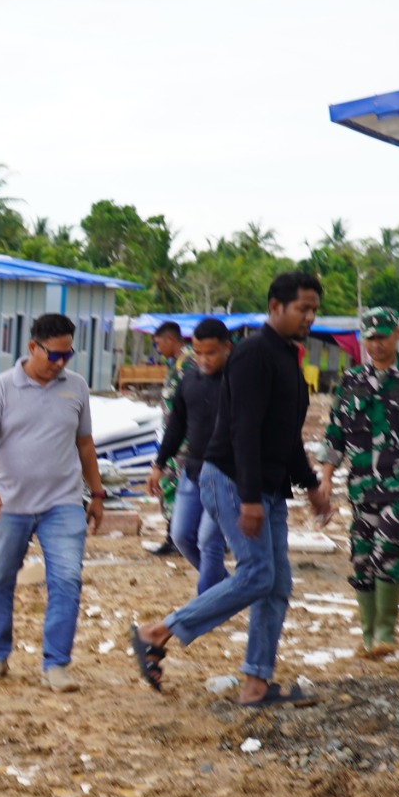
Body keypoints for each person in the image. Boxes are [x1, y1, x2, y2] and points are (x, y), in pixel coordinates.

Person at [132, 273, 336, 705]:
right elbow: (244, 429)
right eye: (303, 308)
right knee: (257, 574)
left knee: (277, 584)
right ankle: (157, 632)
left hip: (270, 486)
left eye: (314, 309)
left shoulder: (287, 358)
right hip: (232, 480)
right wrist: (247, 497)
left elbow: (286, 434)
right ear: (276, 307)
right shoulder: (252, 355)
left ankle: (256, 685)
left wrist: (312, 485)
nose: (310, 316)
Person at [0, 313, 107, 692]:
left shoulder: (75, 387)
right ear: (33, 347)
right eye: (53, 355)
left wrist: (96, 494)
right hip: (9, 504)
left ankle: (56, 664)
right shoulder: (0, 389)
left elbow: (85, 445)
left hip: (62, 503)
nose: (61, 363)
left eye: (68, 355)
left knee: (67, 579)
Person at [322, 308, 399, 657]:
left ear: (398, 334)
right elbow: (335, 433)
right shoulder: (351, 381)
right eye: (370, 338)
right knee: (362, 559)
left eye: (383, 337)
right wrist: (326, 479)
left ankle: (385, 633)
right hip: (361, 486)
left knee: (389, 553)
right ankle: (369, 634)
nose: (376, 344)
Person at [153, 318, 235, 595]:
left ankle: (205, 603)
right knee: (181, 536)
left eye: (210, 353)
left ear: (227, 348)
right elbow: (176, 425)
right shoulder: (189, 379)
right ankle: (229, 588)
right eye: (198, 352)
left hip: (226, 472)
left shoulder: (238, 382)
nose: (203, 359)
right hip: (193, 469)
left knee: (208, 541)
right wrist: (159, 463)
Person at [145, 321, 189, 554]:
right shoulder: (178, 364)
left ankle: (176, 539)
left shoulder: (188, 364)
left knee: (172, 485)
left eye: (159, 343)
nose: (158, 348)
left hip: (186, 441)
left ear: (170, 340)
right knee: (172, 485)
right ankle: (174, 537)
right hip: (176, 438)